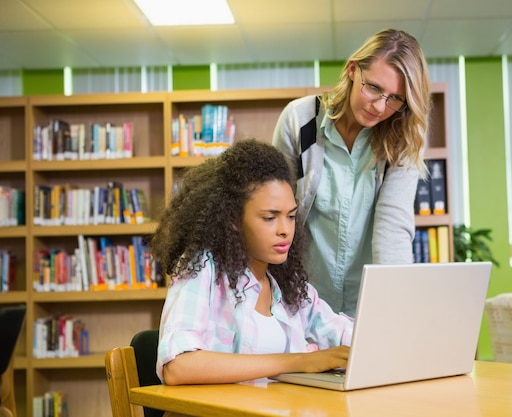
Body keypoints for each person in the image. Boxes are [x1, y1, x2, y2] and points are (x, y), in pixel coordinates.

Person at [151, 139, 353, 385]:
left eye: (290, 216)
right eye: (270, 218)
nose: (285, 230)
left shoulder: (288, 285)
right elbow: (178, 367)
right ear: (233, 219)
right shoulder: (203, 268)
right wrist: (298, 361)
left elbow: (342, 332)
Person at [273, 29, 431, 316]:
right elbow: (274, 213)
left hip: (369, 306)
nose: (381, 107)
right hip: (302, 304)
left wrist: (394, 310)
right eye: (374, 88)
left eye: (396, 98)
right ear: (352, 70)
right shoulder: (299, 120)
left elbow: (393, 228)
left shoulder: (403, 137)